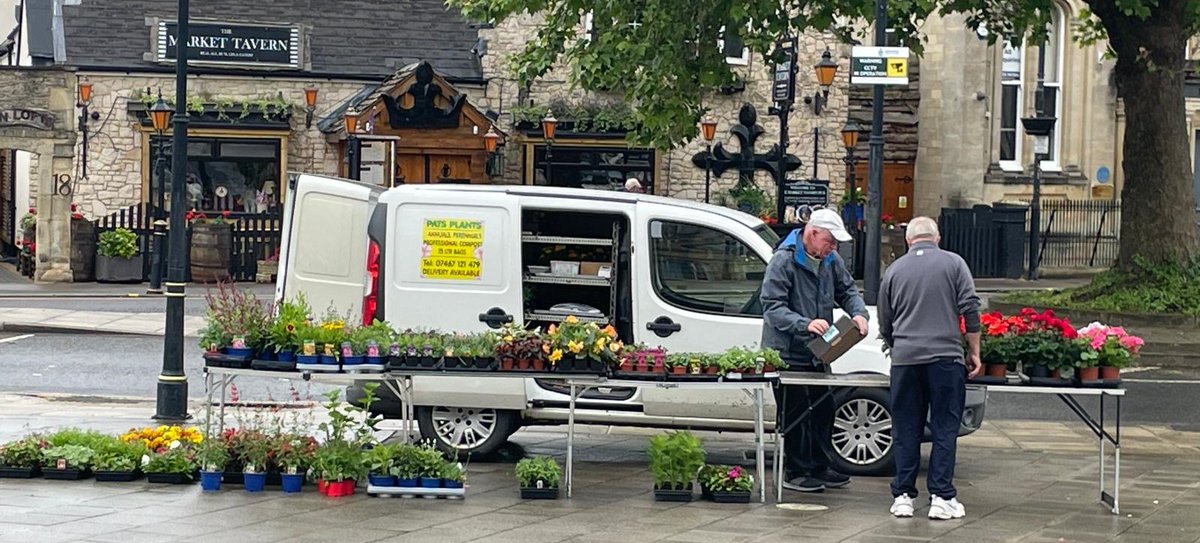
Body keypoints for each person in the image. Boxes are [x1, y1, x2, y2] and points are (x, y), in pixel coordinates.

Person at [878, 216, 982, 520]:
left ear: (909, 241)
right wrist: (973, 350)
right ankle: (941, 495)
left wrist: (896, 345)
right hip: (945, 358)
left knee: (906, 427)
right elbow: (970, 307)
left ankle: (903, 495)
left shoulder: (894, 270)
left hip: (906, 360)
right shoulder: (954, 264)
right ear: (936, 238)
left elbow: (886, 320)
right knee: (945, 427)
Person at [761, 208, 868, 493]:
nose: (833, 248)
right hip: (787, 353)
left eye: (835, 243)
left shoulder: (830, 260)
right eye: (830, 241)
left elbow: (848, 292)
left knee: (824, 409)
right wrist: (805, 323)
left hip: (819, 352)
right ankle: (795, 472)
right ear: (812, 233)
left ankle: (820, 466)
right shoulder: (783, 261)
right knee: (795, 413)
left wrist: (859, 315)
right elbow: (772, 308)